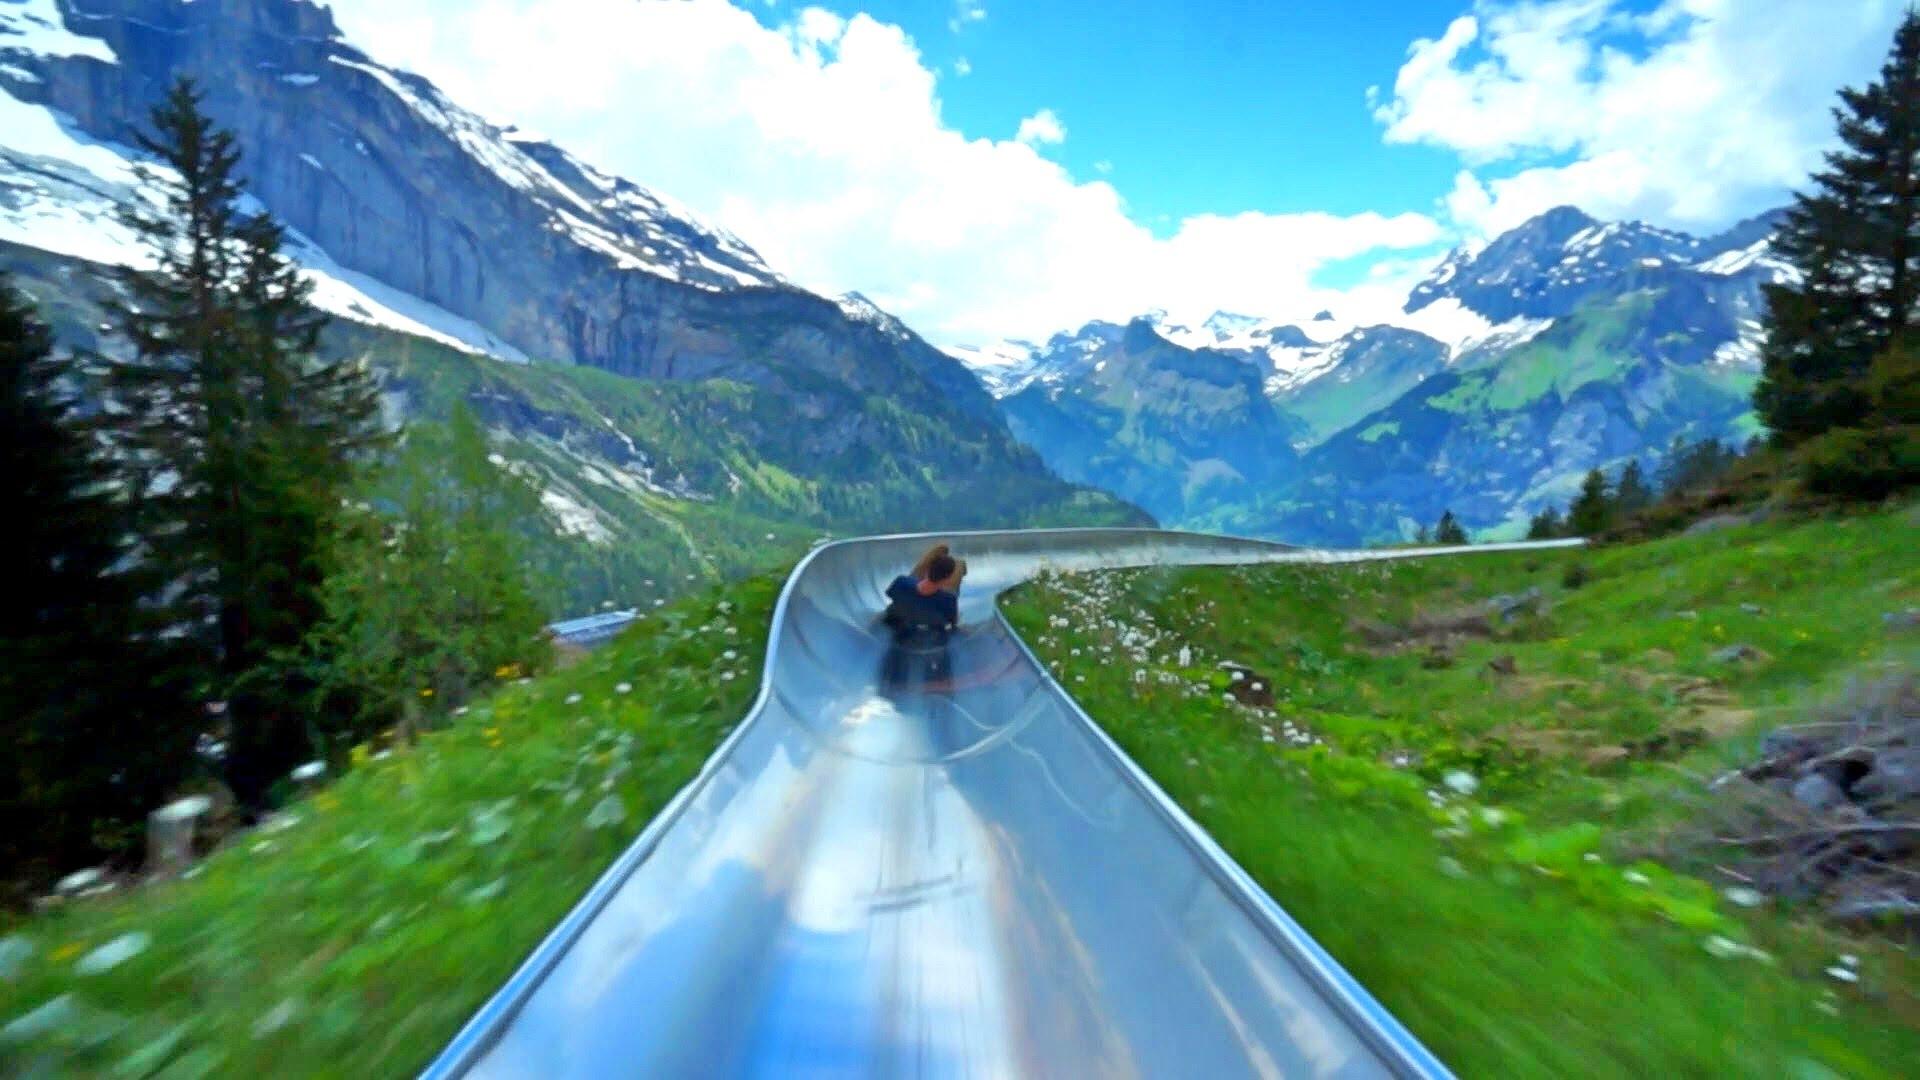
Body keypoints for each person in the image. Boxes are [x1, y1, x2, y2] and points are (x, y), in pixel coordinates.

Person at [880, 544, 965, 690]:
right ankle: (959, 566)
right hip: (932, 637)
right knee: (958, 567)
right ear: (946, 580)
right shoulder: (948, 599)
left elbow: (891, 595)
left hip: (903, 631)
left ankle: (942, 554)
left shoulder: (902, 582)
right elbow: (952, 623)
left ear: (927, 570)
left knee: (912, 586)